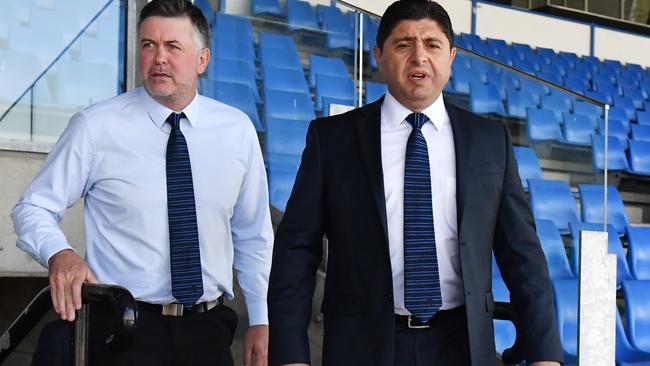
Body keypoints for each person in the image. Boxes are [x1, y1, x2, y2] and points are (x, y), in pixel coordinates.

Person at [267, 1, 562, 365]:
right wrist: (291, 356)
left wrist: (545, 355)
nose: (419, 56)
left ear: (451, 56)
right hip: (362, 345)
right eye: (404, 44)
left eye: (432, 44)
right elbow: (295, 254)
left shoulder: (490, 141)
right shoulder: (333, 140)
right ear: (379, 55)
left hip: (463, 344)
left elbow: (524, 257)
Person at [11, 1, 272, 365]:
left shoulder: (238, 131)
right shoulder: (96, 127)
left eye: (173, 47)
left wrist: (260, 318)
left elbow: (253, 234)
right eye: (149, 45)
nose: (159, 58)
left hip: (208, 332)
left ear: (202, 59)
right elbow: (33, 206)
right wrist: (60, 253)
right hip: (122, 329)